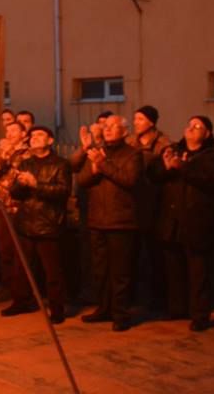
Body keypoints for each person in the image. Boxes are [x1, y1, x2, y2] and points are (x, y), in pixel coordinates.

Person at [155, 115, 214, 332]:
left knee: (198, 272)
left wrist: (182, 168)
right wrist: (167, 168)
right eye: (189, 125)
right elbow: (154, 176)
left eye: (198, 126)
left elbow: (210, 182)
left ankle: (200, 314)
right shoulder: (173, 149)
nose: (191, 129)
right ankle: (177, 308)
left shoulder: (213, 156)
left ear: (207, 133)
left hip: (197, 221)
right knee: (174, 268)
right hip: (172, 220)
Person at [75, 115, 142, 331]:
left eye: (114, 126)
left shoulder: (133, 154)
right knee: (100, 269)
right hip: (97, 220)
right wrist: (94, 168)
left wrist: (102, 165)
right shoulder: (97, 152)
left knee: (120, 272)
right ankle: (103, 308)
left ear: (124, 131)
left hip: (121, 221)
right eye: (105, 126)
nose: (108, 129)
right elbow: (82, 180)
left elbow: (129, 180)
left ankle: (120, 313)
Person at [0, 126, 71, 323]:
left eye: (39, 135)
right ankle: (21, 302)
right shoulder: (26, 163)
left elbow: (63, 192)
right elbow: (15, 193)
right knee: (21, 267)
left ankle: (57, 309)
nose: (34, 138)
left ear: (50, 141)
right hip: (25, 221)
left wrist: (35, 185)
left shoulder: (61, 164)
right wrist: (20, 185)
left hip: (48, 223)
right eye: (32, 136)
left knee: (52, 271)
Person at [127, 105, 170, 310]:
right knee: (132, 255)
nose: (136, 123)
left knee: (156, 255)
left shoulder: (163, 144)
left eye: (140, 119)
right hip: (132, 203)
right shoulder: (129, 142)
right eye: (135, 119)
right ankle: (133, 296)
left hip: (154, 203)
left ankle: (159, 299)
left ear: (151, 122)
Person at [0, 120, 30, 301]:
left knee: (22, 252)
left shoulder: (29, 155)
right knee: (5, 251)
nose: (9, 134)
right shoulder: (1, 153)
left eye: (13, 131)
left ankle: (22, 291)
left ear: (23, 135)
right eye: (7, 130)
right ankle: (8, 286)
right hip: (2, 207)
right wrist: (4, 156)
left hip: (21, 208)